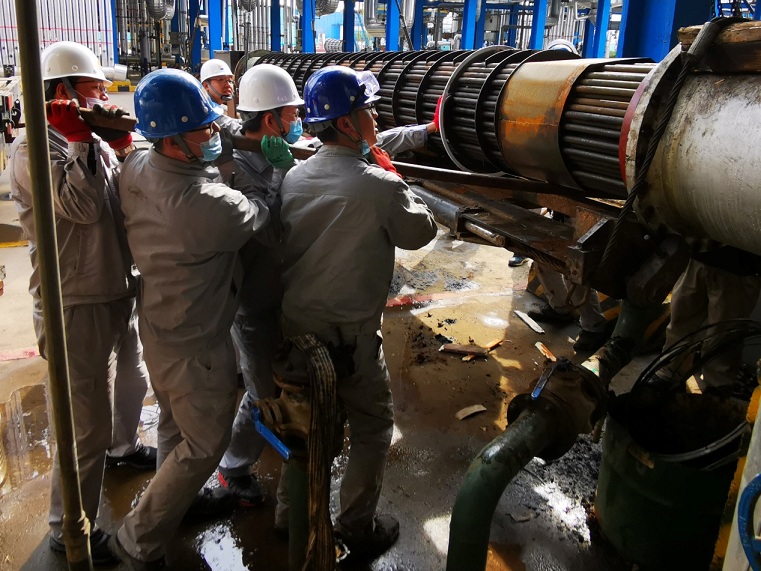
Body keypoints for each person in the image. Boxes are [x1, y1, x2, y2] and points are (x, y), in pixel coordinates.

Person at [110, 69, 273, 568]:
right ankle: (138, 539)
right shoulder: (204, 203)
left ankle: (180, 505)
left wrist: (220, 145)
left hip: (159, 322)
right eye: (203, 128)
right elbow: (258, 211)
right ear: (173, 140)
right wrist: (255, 167)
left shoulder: (137, 165)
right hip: (197, 340)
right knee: (205, 443)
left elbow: (199, 163)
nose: (214, 132)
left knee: (174, 424)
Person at [278, 66, 438, 562]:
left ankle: (289, 513)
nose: (376, 114)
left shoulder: (294, 176)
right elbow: (421, 233)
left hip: (297, 329)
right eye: (367, 108)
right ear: (346, 123)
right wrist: (394, 177)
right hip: (349, 339)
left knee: (306, 425)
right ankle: (356, 526)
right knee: (372, 426)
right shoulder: (379, 187)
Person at [9, 41, 155, 565]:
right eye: (92, 89)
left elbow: (124, 201)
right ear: (61, 92)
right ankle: (65, 525)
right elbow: (84, 207)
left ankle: (123, 447)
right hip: (76, 298)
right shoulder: (34, 147)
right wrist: (78, 140)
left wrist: (123, 144)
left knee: (133, 379)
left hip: (116, 284)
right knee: (83, 423)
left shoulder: (89, 139)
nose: (103, 98)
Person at [214, 63, 301, 507]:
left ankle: (268, 442)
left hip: (278, 293)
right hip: (253, 303)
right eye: (291, 114)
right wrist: (285, 173)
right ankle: (233, 466)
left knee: (278, 382)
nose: (297, 121)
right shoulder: (237, 169)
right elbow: (267, 230)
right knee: (262, 392)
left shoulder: (268, 152)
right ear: (270, 120)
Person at [657, 248, 761, 395]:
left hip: (738, 267)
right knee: (680, 323)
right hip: (700, 255)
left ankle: (716, 391)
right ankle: (668, 376)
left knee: (722, 338)